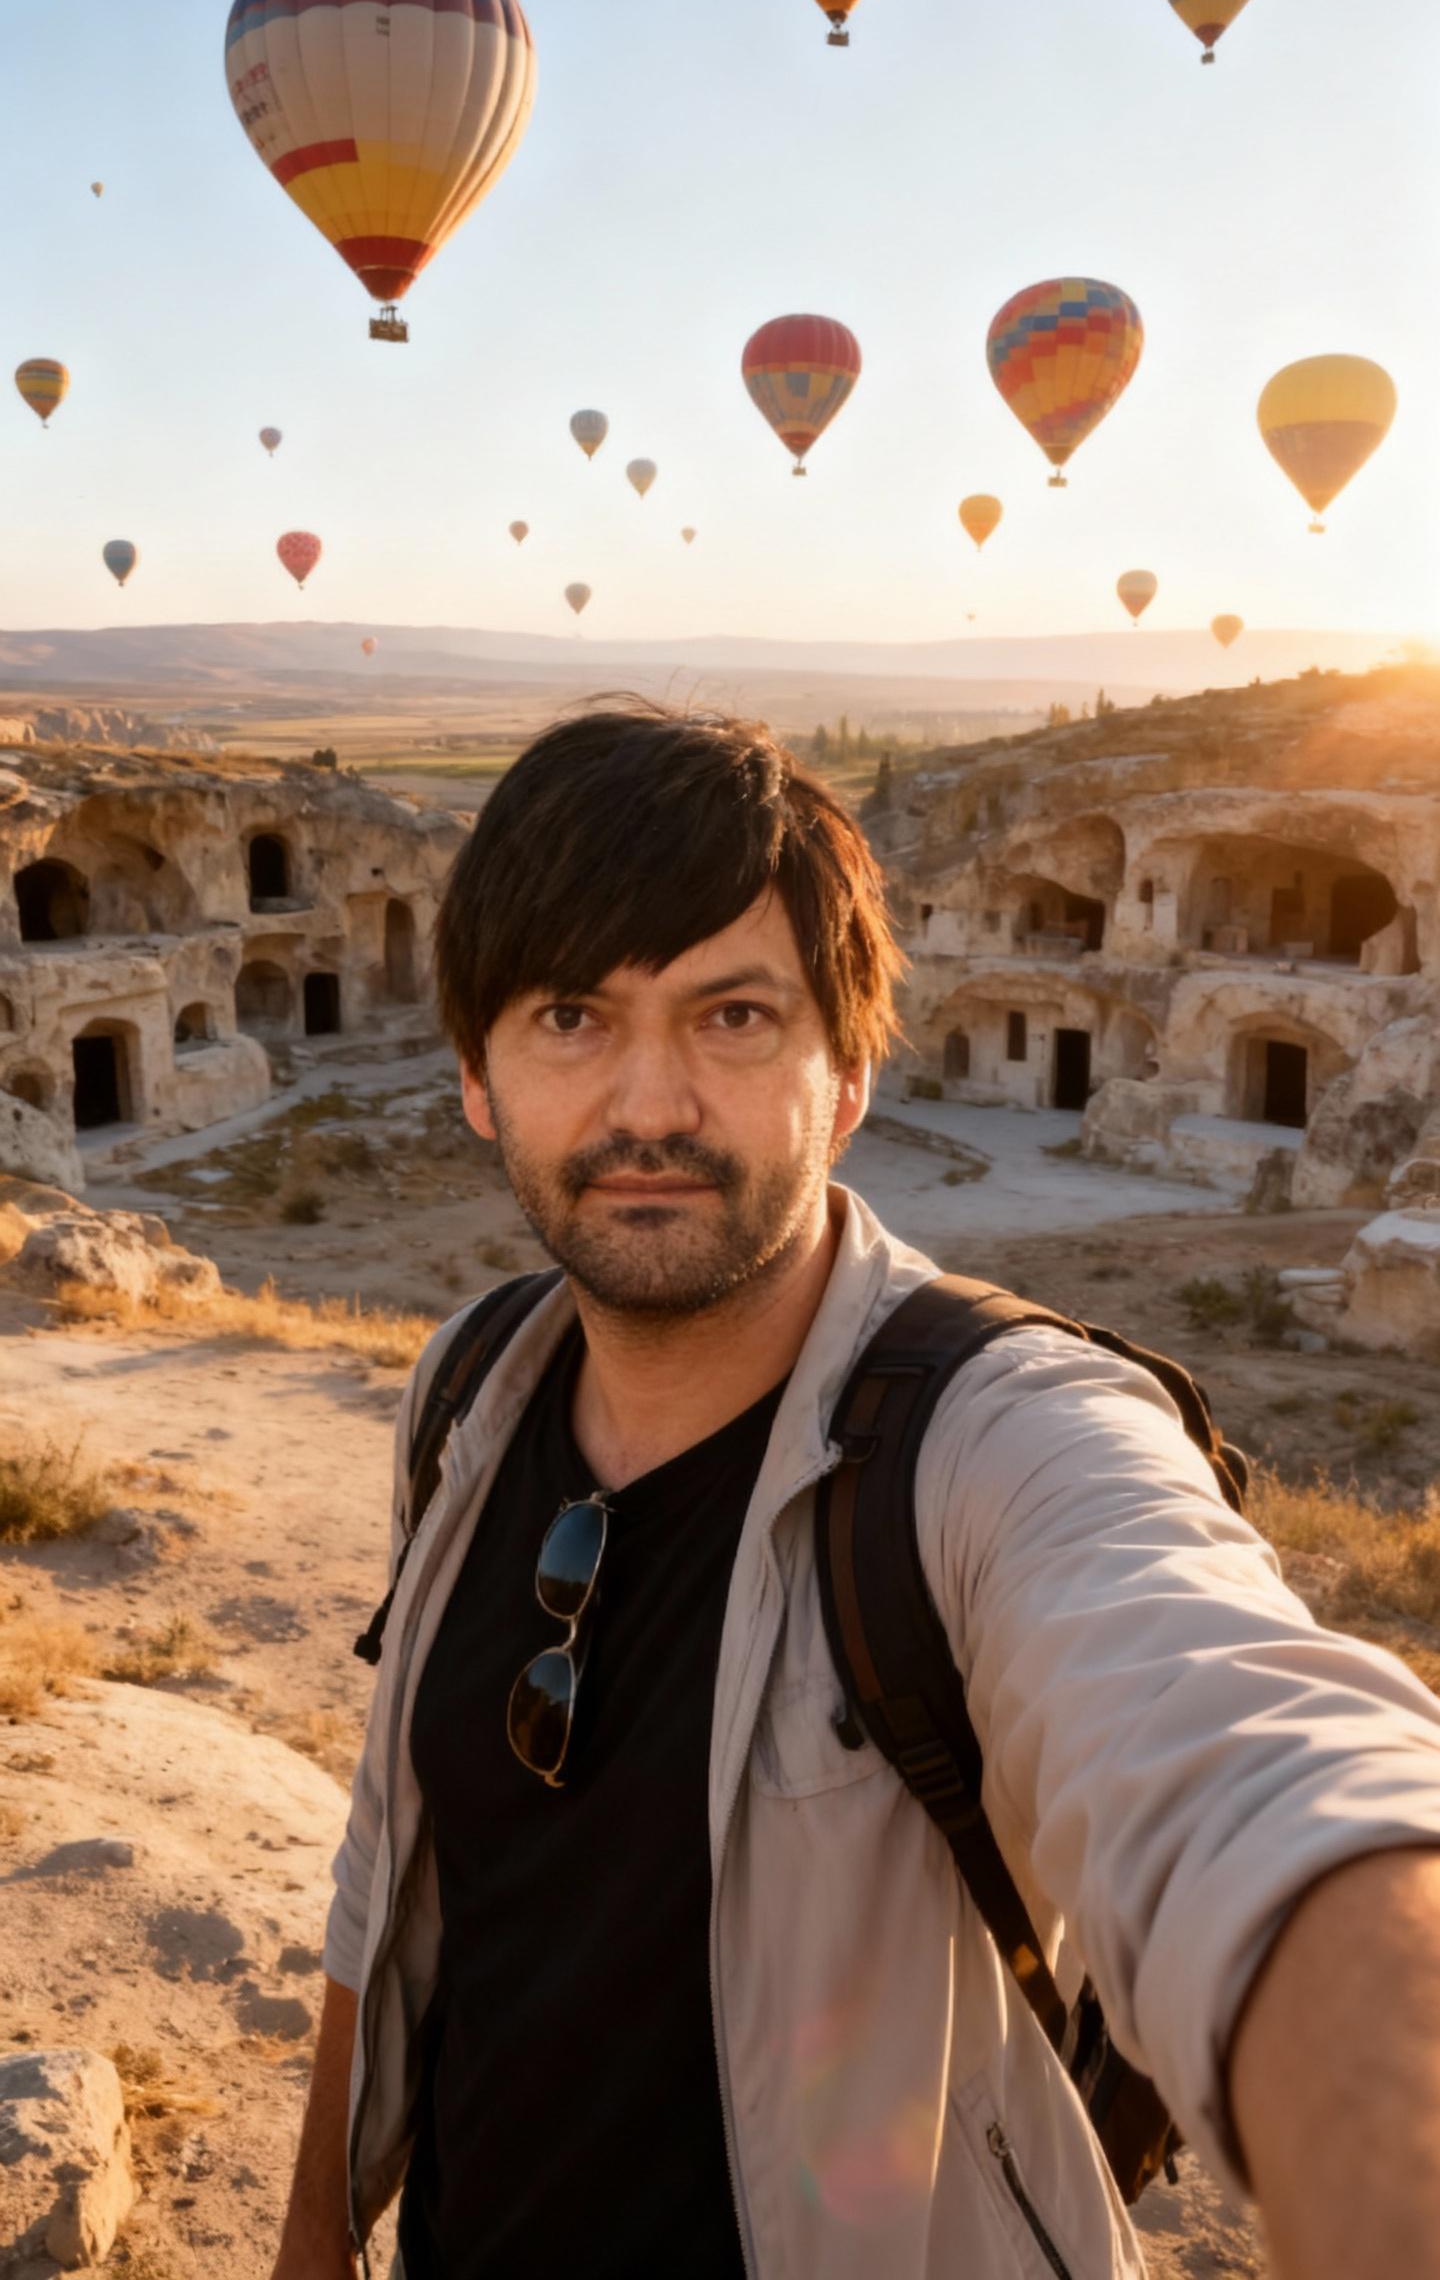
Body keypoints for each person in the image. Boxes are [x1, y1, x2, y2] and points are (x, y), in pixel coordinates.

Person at [272, 702, 1440, 2280]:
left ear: (851, 1075)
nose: (651, 1106)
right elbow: (395, 1851)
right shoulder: (466, 1390)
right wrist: (311, 2237)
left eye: (734, 1016)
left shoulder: (996, 1441)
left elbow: (1248, 1764)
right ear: (477, 1074)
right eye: (570, 1016)